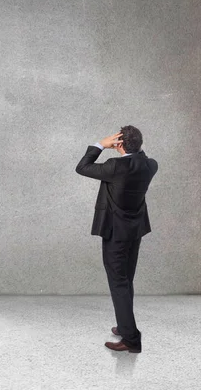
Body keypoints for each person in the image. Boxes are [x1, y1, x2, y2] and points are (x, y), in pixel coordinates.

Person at [75, 125, 158, 353]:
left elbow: (82, 167)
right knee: (126, 280)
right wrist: (131, 145)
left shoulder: (115, 167)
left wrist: (101, 144)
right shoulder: (150, 165)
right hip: (135, 232)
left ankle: (131, 340)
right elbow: (140, 157)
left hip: (116, 234)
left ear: (119, 143)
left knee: (118, 283)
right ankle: (124, 325)